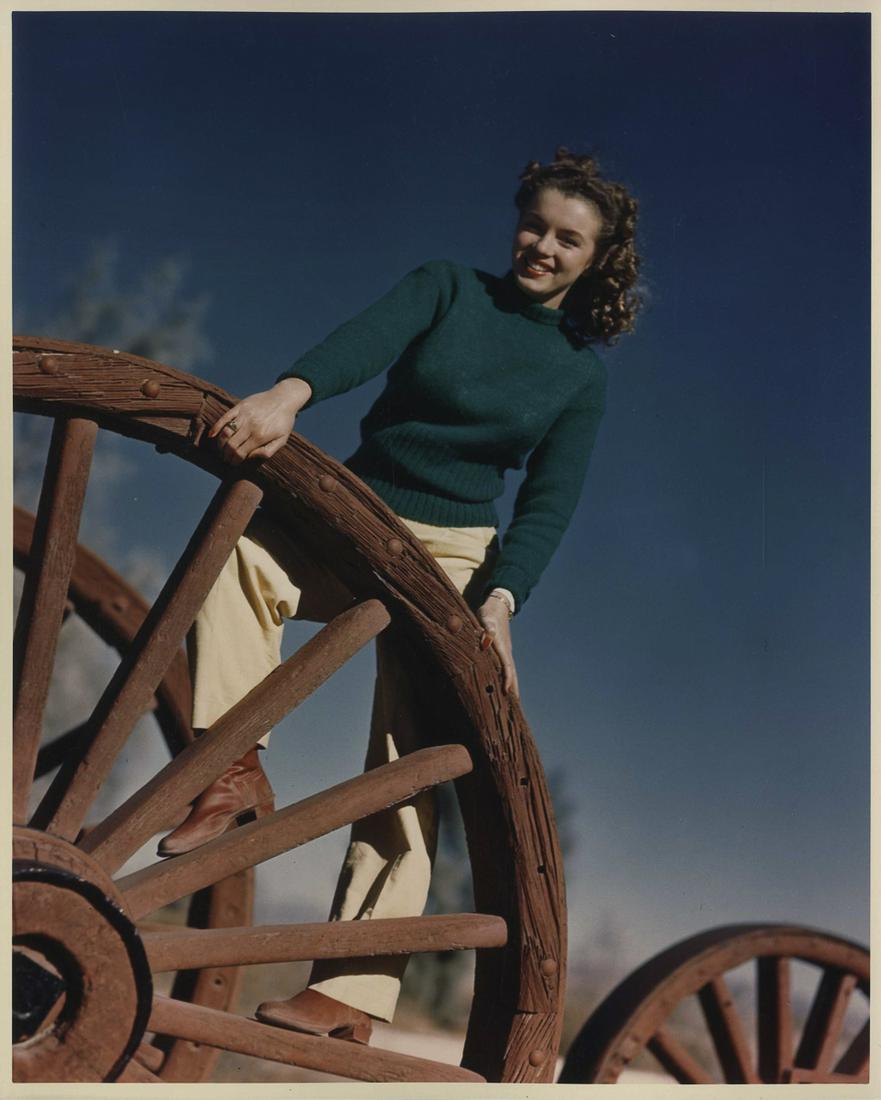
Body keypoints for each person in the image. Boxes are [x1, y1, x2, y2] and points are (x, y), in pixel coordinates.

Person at [157, 147, 642, 1043]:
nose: (541, 245)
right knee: (243, 559)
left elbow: (546, 504)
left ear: (593, 259)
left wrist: (499, 603)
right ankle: (229, 771)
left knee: (408, 759)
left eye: (566, 239)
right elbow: (360, 345)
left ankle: (351, 994)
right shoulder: (448, 288)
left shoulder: (579, 375)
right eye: (533, 224)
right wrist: (288, 395)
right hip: (361, 505)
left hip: (457, 554)